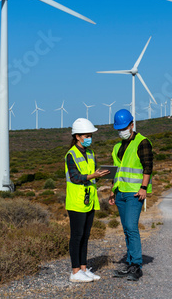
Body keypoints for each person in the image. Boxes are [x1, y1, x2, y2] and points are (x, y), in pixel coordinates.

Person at [109, 109, 153, 281]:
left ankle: (136, 265)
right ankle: (129, 263)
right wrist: (112, 191)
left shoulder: (142, 142)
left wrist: (144, 187)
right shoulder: (117, 147)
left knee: (131, 227)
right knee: (127, 229)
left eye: (124, 127)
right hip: (120, 193)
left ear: (132, 125)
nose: (121, 131)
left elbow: (148, 166)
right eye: (119, 129)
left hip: (135, 193)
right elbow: (116, 171)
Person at [65, 118, 110, 283]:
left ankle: (83, 268)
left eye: (90, 135)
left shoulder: (91, 153)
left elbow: (93, 176)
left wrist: (100, 175)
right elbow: (75, 177)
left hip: (89, 200)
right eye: (86, 135)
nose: (89, 138)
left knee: (85, 236)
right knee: (76, 236)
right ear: (77, 136)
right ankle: (75, 271)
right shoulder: (71, 155)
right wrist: (94, 175)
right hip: (76, 202)